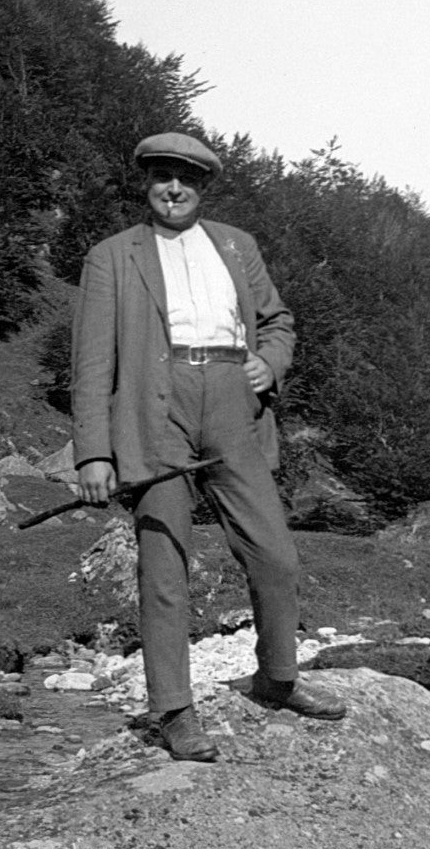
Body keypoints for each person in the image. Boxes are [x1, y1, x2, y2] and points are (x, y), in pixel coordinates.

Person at [70, 132, 347, 761]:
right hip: (154, 409)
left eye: (187, 180)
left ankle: (277, 679)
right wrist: (93, 452)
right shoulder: (111, 256)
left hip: (232, 402)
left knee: (275, 555)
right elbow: (91, 362)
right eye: (162, 177)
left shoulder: (236, 244)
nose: (174, 189)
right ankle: (174, 709)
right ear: (146, 184)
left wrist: (270, 363)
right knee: (164, 564)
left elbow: (276, 321)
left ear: (203, 188)